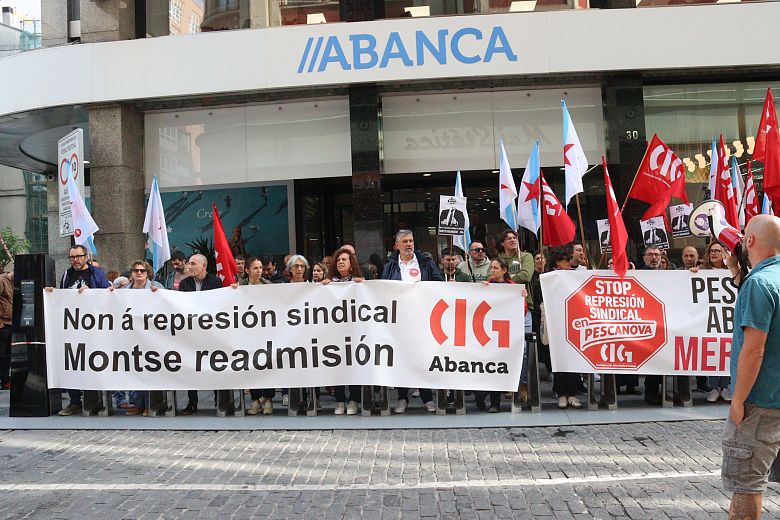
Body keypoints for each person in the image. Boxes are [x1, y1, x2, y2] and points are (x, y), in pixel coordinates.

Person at [720, 214, 780, 519]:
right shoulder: (763, 279)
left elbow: (754, 350)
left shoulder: (759, 283)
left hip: (761, 403)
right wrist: (737, 271)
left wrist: (738, 401)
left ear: (751, 240)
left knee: (747, 484)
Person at [382, 229, 443, 413]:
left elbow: (438, 282)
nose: (409, 244)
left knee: (422, 357)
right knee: (402, 358)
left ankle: (427, 398)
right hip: (399, 319)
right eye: (405, 242)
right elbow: (382, 289)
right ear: (397, 245)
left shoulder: (425, 262)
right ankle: (402, 398)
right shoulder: (390, 266)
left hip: (424, 318)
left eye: (411, 241)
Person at [47, 245, 112, 416]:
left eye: (78, 256)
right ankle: (74, 401)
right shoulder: (67, 274)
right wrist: (53, 294)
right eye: (72, 257)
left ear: (86, 257)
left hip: (93, 327)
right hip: (72, 326)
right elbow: (62, 298)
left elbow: (107, 295)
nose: (75, 260)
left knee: (93, 362)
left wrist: (92, 293)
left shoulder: (97, 274)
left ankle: (95, 400)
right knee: (72, 362)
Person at [111, 260, 163, 416]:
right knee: (135, 369)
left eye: (142, 270)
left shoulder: (157, 287)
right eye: (136, 270)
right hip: (131, 336)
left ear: (148, 273)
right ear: (131, 273)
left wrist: (159, 295)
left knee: (150, 368)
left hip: (151, 335)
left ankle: (150, 404)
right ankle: (138, 404)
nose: (139, 273)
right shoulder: (123, 291)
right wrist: (110, 294)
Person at [475, 258, 526, 412]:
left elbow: (523, 311)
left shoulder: (513, 288)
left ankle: (495, 403)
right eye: (491, 268)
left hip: (504, 333)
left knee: (497, 367)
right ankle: (481, 396)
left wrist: (522, 297)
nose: (492, 270)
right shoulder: (486, 285)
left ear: (504, 270)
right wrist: (479, 290)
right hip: (486, 332)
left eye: (496, 268)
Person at [178, 254, 222, 415]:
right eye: (189, 263)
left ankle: (219, 400)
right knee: (191, 366)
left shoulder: (215, 282)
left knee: (215, 365)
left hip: (211, 332)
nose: (189, 266)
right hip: (191, 332)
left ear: (204, 266)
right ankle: (192, 401)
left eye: (193, 263)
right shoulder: (184, 284)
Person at [323, 248, 365, 415]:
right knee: (337, 366)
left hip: (353, 331)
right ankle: (340, 400)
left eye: (344, 260)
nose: (340, 262)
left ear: (351, 264)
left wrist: (362, 285)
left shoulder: (358, 282)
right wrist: (324, 287)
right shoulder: (329, 283)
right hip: (335, 332)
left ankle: (354, 400)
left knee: (353, 366)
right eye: (338, 260)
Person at [497, 229, 534, 400]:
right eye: (508, 238)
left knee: (524, 350)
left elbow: (526, 276)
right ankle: (508, 384)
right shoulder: (498, 260)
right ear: (502, 243)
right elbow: (494, 277)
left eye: (515, 237)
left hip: (523, 309)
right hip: (502, 310)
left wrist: (505, 277)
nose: (513, 240)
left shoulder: (525, 256)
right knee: (505, 349)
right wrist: (507, 276)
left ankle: (523, 384)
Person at [548, 249, 583, 409]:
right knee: (559, 359)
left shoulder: (575, 276)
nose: (569, 262)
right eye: (566, 260)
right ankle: (561, 393)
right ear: (557, 262)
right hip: (556, 322)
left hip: (574, 321)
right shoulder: (549, 277)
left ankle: (572, 394)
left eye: (570, 259)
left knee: (574, 358)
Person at [699, 241, 732, 402]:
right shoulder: (703, 271)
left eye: (717, 251)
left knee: (726, 352)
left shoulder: (732, 271)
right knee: (711, 351)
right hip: (708, 318)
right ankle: (713, 387)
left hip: (727, 318)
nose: (713, 253)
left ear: (724, 253)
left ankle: (724, 387)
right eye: (711, 251)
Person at [640, 246, 664, 404]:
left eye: (656, 254)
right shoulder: (637, 274)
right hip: (646, 322)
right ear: (644, 258)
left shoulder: (670, 274)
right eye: (650, 255)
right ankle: (651, 392)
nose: (654, 258)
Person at [0, 270, 12, 389]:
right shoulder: (2, 280)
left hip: (11, 322)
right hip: (3, 324)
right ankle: (4, 380)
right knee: (2, 354)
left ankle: (5, 380)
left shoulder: (14, 282)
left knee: (7, 354)